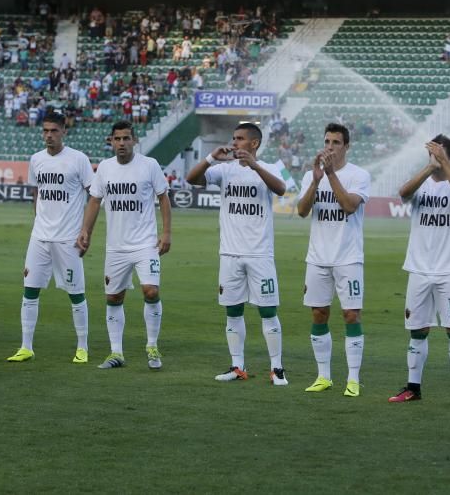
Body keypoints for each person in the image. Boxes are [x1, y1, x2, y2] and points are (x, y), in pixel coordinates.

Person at [186, 123, 288, 385]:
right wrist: (210, 158)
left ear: (254, 143)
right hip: (229, 254)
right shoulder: (224, 170)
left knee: (267, 311)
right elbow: (192, 179)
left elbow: (281, 189)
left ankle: (277, 368)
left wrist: (254, 165)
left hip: (259, 253)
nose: (234, 143)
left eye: (240, 139)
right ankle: (237, 366)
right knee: (233, 311)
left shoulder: (269, 168)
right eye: (233, 138)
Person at [77, 121, 171, 370]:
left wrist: (167, 232)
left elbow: (163, 197)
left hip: (145, 244)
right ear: (111, 141)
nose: (121, 143)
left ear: (134, 140)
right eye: (116, 139)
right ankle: (116, 353)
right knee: (114, 297)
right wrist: (85, 231)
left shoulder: (149, 165)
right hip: (116, 247)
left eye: (126, 138)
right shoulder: (105, 168)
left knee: (150, 291)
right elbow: (95, 201)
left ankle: (152, 346)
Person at [388, 136, 450, 407]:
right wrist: (429, 167)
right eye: (432, 154)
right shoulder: (421, 186)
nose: (435, 158)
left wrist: (445, 164)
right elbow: (403, 193)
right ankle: (413, 387)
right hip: (419, 269)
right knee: (417, 330)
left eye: (441, 154)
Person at [8, 113, 94, 364]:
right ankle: (26, 346)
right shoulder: (36, 159)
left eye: (54, 131)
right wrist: (39, 220)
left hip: (68, 239)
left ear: (64, 132)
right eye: (45, 131)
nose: (48, 135)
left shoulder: (78, 159)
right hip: (40, 237)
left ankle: (82, 347)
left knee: (76, 293)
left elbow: (94, 195)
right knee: (29, 291)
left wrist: (85, 230)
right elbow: (37, 193)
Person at [296, 123, 370, 397]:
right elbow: (302, 211)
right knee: (318, 314)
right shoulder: (311, 175)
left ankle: (352, 379)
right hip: (317, 258)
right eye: (327, 141)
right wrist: (316, 180)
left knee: (351, 315)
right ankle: (323, 376)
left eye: (336, 142)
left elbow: (349, 206)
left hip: (348, 258)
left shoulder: (359, 175)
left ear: (347, 146)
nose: (330, 147)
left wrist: (329, 174)